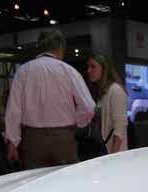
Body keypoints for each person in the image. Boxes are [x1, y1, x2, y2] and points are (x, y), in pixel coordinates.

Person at [5, 30, 95, 170]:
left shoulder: (23, 71)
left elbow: (14, 110)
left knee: (35, 181)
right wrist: (77, 121)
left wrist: (13, 142)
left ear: (39, 47)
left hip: (33, 140)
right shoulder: (69, 71)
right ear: (60, 49)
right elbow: (88, 107)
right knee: (66, 180)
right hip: (63, 138)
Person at [86, 54, 128, 154]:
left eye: (93, 66)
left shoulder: (115, 90)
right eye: (88, 67)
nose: (88, 70)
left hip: (111, 151)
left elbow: (119, 128)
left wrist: (113, 156)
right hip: (101, 147)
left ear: (104, 69)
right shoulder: (102, 91)